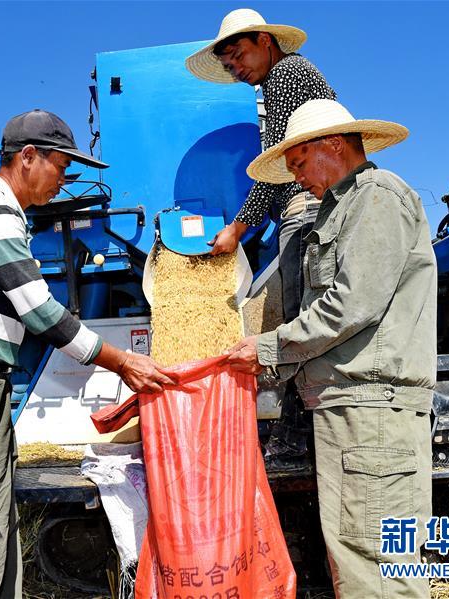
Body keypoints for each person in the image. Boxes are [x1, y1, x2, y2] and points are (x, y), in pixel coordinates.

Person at [0, 109, 173, 598]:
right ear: (28, 157)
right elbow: (40, 312)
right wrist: (125, 362)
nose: (64, 180)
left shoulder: (1, 213)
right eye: (61, 166)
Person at [227, 99, 436, 598]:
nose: (297, 179)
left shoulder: (377, 198)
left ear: (334, 145)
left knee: (376, 565)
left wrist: (268, 347)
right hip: (355, 411)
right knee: (360, 556)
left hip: (371, 411)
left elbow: (349, 305)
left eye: (299, 164)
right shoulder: (342, 207)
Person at [186, 8, 337, 466]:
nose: (236, 67)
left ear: (266, 42)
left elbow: (278, 169)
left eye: (239, 54)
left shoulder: (286, 74)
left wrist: (236, 227)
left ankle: (298, 435)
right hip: (304, 206)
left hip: (307, 208)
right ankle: (303, 429)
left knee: (300, 319)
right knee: (302, 315)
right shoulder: (279, 82)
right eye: (228, 64)